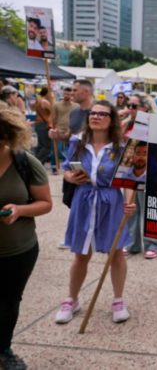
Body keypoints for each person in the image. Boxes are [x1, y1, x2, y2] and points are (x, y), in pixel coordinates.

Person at [55, 101, 135, 325]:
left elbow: (128, 177)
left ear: (112, 120)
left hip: (111, 200)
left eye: (102, 114)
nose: (96, 116)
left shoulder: (122, 146)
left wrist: (129, 202)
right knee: (81, 253)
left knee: (116, 252)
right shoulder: (78, 141)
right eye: (93, 113)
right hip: (84, 200)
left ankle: (118, 300)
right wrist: (71, 177)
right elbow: (67, 168)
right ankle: (72, 300)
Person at [0, 107, 52, 369]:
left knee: (8, 303)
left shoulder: (24, 162)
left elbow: (45, 203)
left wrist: (19, 210)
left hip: (17, 251)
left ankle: (3, 349)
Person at [122, 93, 157, 258]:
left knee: (149, 210)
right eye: (128, 105)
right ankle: (133, 243)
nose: (130, 109)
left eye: (134, 106)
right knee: (131, 207)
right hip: (129, 169)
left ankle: (153, 244)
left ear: (145, 107)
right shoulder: (126, 123)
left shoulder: (154, 124)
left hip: (149, 171)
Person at [33, 88, 53, 166]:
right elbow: (51, 112)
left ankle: (35, 162)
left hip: (39, 124)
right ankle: (37, 163)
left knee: (41, 145)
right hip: (44, 124)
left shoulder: (38, 100)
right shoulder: (45, 102)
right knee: (47, 146)